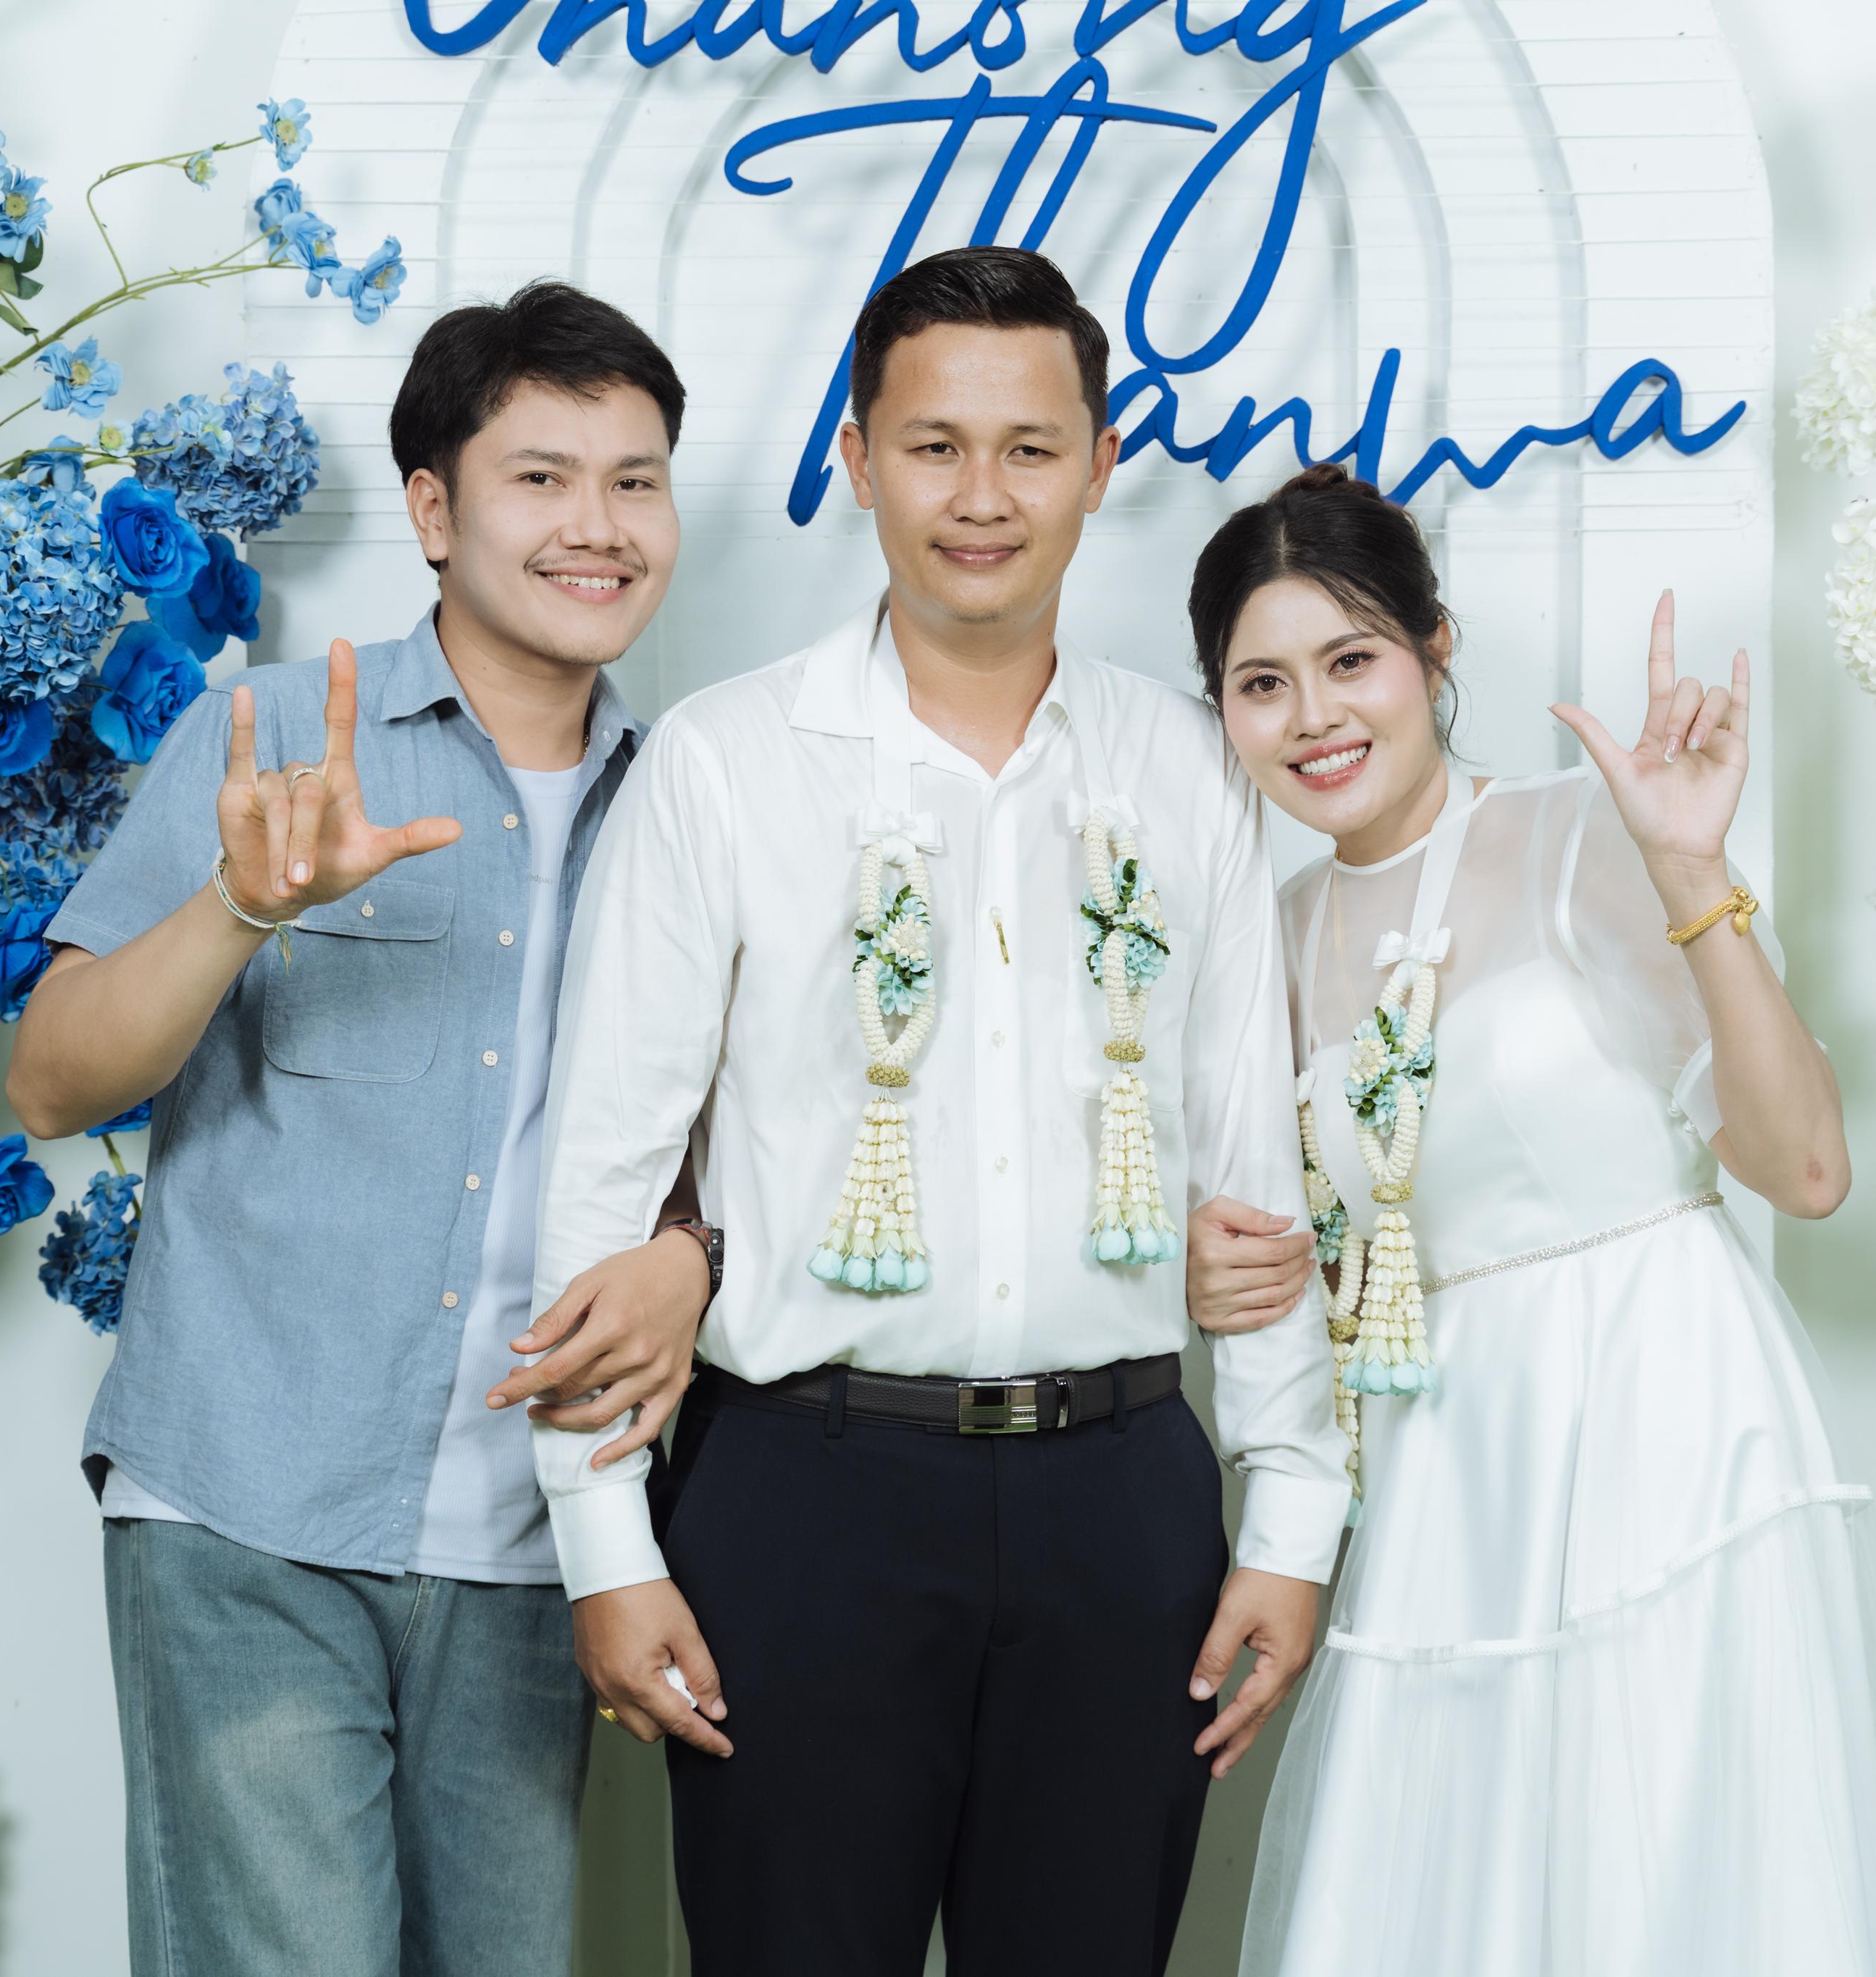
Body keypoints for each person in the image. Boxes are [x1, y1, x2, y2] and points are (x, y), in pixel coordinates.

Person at [511, 245, 1350, 1976]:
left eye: (1029, 448)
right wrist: (603, 1545)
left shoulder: (1189, 766)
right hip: (798, 1495)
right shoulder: (723, 764)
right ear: (855, 459)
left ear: (1099, 465)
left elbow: (1248, 1174)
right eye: (934, 447)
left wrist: (1288, 1515)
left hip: (1122, 1499)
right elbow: (603, 1181)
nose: (982, 497)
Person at [4, 280, 713, 1977]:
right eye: (541, 478)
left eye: (634, 481)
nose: (598, 526)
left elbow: (742, 1142)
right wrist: (240, 908)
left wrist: (693, 1259)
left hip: (541, 1540)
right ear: (432, 511)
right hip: (249, 1506)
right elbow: (51, 1081)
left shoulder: (696, 800)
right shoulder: (265, 739)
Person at [1183, 464, 1876, 1974]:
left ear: (1434, 649)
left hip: (1660, 1420)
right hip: (1449, 1468)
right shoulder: (1261, 944)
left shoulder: (1583, 837)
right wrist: (1221, 1272)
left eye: (1350, 660)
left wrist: (1687, 867)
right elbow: (1316, 1253)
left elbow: (1803, 1167)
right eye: (1262, 684)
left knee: (1666, 1865)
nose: (1314, 717)